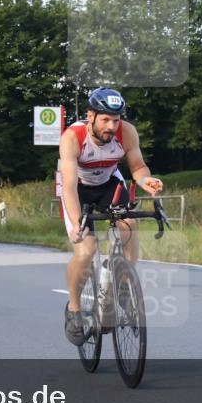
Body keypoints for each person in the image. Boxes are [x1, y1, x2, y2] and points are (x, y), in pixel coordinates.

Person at [59, 87, 163, 346]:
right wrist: (78, 224)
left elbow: (138, 167)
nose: (111, 126)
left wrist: (146, 181)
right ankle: (74, 309)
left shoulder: (126, 132)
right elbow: (69, 187)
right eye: (105, 120)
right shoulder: (73, 137)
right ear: (90, 116)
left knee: (129, 225)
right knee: (86, 249)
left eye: (115, 120)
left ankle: (124, 286)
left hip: (108, 184)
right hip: (78, 190)